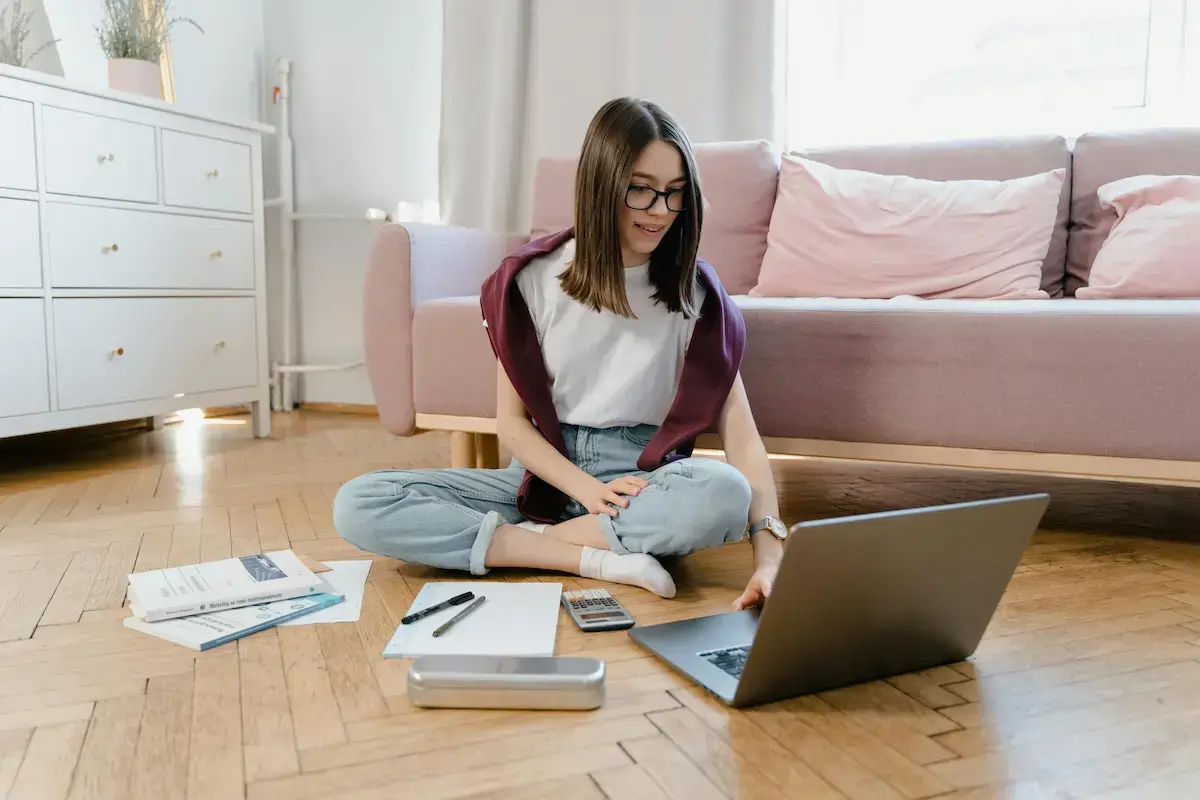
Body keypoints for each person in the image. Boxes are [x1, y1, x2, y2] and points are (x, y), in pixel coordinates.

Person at [334, 97, 787, 610]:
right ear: (601, 184)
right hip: (540, 480)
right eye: (640, 190)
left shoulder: (696, 295)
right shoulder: (529, 280)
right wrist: (586, 492)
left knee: (723, 491)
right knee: (359, 502)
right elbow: (512, 424)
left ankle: (533, 544)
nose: (660, 210)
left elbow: (742, 439)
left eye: (675, 193)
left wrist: (769, 558)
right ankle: (591, 555)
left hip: (642, 484)